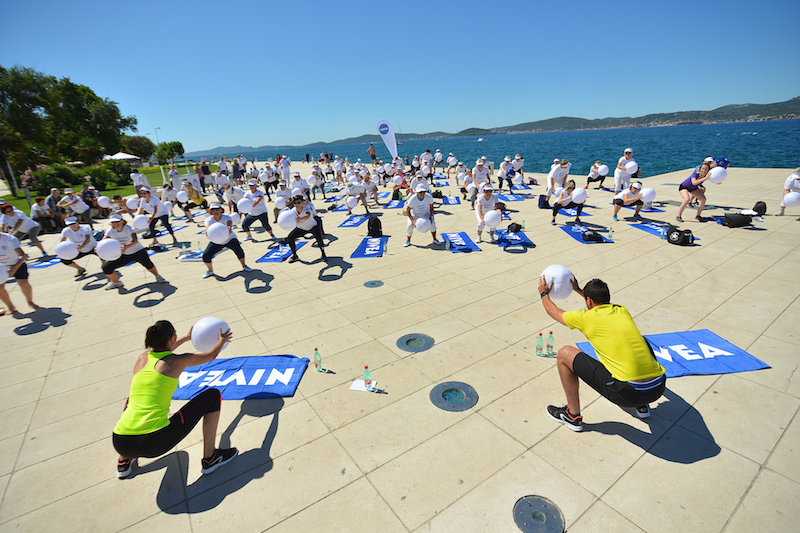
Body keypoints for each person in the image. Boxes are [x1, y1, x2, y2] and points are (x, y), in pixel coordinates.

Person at [539, 276, 666, 431]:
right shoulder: (621, 310)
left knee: (564, 354)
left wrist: (543, 293)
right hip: (658, 387)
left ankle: (572, 416)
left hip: (627, 394)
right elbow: (601, 303)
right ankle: (642, 406)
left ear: (589, 301)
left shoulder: (585, 318)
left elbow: (553, 311)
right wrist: (581, 291)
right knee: (641, 342)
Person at [113, 320, 237, 479]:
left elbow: (162, 351)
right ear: (171, 338)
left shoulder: (142, 358)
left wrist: (185, 338)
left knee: (134, 399)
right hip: (154, 442)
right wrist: (222, 340)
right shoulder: (177, 361)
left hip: (120, 442)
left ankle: (123, 462)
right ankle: (210, 458)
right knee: (212, 395)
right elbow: (211, 355)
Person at [102, 214, 166, 290]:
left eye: (117, 221)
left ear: (122, 221)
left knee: (149, 265)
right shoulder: (110, 231)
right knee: (106, 267)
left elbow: (135, 241)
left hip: (138, 251)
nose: (115, 224)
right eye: (113, 222)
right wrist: (100, 247)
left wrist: (126, 247)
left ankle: (157, 276)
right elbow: (104, 241)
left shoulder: (129, 228)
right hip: (124, 255)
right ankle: (116, 282)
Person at [202, 203, 252, 278]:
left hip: (230, 238)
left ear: (221, 210)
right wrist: (207, 232)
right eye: (213, 210)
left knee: (239, 251)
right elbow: (207, 227)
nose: (215, 211)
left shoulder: (227, 217)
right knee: (206, 255)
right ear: (210, 211)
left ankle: (244, 266)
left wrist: (229, 228)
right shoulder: (209, 219)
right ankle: (210, 271)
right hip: (217, 241)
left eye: (217, 209)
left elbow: (229, 223)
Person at [0, 232, 38, 315]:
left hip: (17, 262)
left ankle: (30, 301)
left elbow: (22, 255)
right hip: (1, 266)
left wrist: (14, 268)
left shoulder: (9, 239)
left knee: (24, 283)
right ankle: (10, 306)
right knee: (0, 288)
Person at [285, 195, 327, 263]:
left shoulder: (306, 209)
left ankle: (323, 254)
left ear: (302, 202)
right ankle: (295, 256)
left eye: (299, 202)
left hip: (312, 227)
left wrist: (300, 218)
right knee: (290, 237)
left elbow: (307, 215)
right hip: (301, 228)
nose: (297, 205)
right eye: (295, 203)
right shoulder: (293, 211)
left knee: (319, 238)